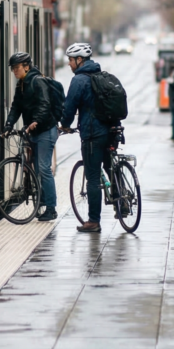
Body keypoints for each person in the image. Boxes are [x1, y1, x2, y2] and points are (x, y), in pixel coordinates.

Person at [59, 41, 116, 234]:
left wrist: (65, 125)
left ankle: (93, 221)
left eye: (71, 60)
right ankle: (122, 201)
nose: (69, 63)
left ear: (79, 60)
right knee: (110, 168)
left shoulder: (79, 81)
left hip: (92, 134)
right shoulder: (103, 75)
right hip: (112, 131)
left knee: (92, 178)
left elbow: (69, 108)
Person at [3, 51, 58, 220]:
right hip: (33, 132)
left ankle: (51, 208)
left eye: (17, 68)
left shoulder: (38, 81)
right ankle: (40, 202)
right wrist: (8, 124)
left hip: (46, 130)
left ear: (26, 67)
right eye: (12, 69)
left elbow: (45, 104)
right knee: (36, 168)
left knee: (43, 168)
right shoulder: (21, 85)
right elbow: (16, 107)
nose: (14, 71)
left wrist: (36, 121)